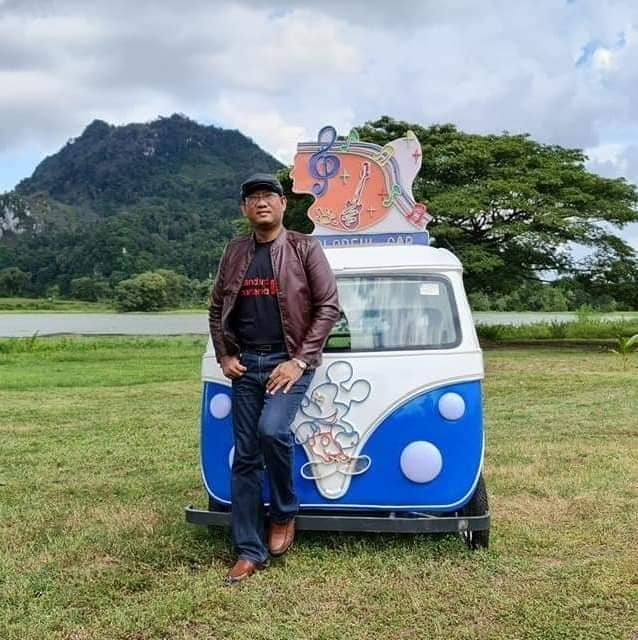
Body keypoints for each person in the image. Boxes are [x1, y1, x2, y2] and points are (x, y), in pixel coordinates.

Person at [208, 173, 340, 584]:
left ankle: (284, 513)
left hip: (289, 363)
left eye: (268, 195)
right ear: (244, 209)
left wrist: (300, 361)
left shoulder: (304, 247)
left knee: (271, 431)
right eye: (252, 197)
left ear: (283, 204)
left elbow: (328, 307)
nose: (261, 202)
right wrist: (225, 355)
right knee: (245, 457)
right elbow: (216, 308)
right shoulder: (234, 251)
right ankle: (249, 549)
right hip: (246, 365)